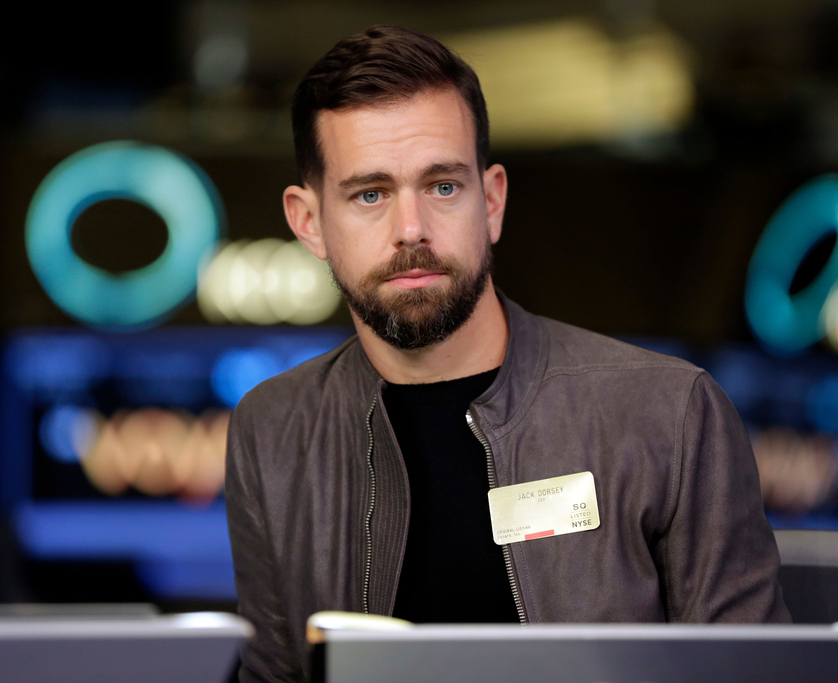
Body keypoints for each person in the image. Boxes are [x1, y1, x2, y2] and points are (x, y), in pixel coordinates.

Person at [225, 24, 790, 683]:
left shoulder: (669, 413)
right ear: (310, 222)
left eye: (442, 186)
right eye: (370, 194)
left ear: (490, 201)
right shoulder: (273, 428)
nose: (411, 229)